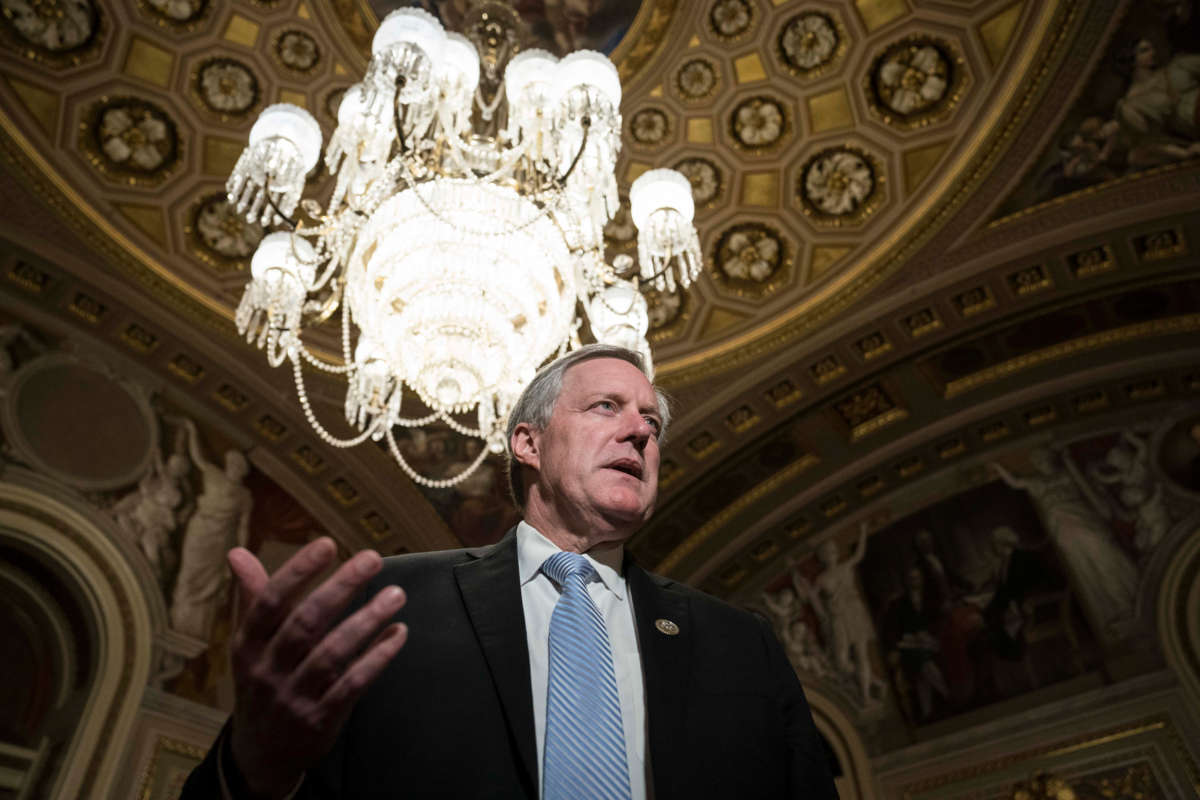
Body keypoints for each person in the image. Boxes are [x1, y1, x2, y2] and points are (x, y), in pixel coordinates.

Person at [181, 344, 836, 799]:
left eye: (653, 423)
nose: (640, 431)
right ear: (527, 442)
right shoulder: (391, 600)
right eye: (607, 407)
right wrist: (256, 768)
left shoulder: (739, 644)